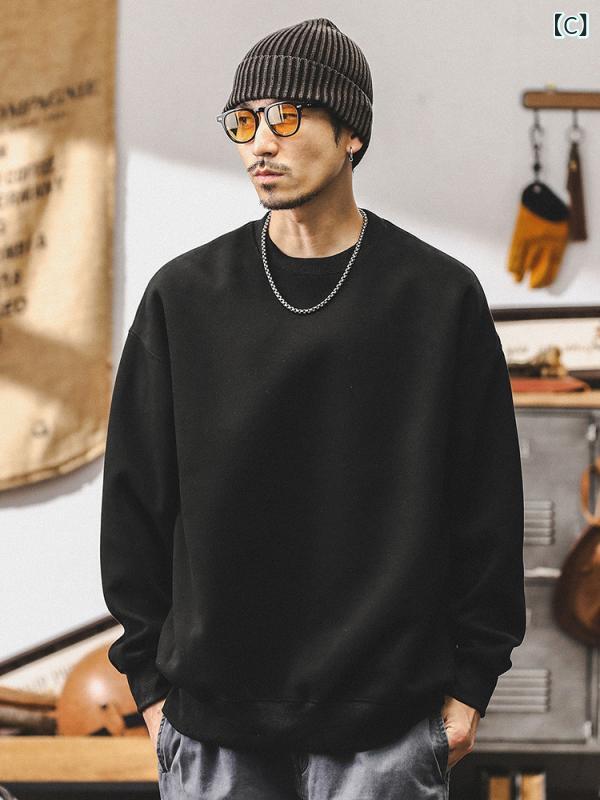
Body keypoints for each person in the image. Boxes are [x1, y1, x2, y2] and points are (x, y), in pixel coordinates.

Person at [100, 17, 526, 800]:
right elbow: (134, 504)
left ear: (351, 134)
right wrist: (151, 692)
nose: (260, 142)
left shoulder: (437, 300)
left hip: (387, 727)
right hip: (213, 730)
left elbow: (488, 507)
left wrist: (472, 687)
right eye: (243, 120)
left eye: (286, 117)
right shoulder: (184, 298)